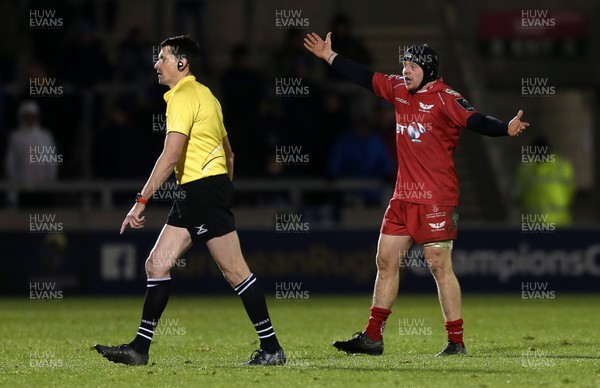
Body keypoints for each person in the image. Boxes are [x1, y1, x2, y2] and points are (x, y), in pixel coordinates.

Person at [304, 32, 529, 356]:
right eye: (404, 65)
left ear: (429, 70)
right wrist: (330, 57)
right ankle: (372, 337)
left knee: (438, 264)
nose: (405, 71)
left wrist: (505, 128)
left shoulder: (445, 97)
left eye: (412, 66)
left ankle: (456, 341)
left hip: (437, 196)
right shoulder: (398, 89)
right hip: (403, 196)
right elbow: (366, 78)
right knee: (385, 260)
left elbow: (476, 119)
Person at [94, 36, 285, 366]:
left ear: (182, 64)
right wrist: (222, 190)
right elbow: (229, 153)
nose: (156, 64)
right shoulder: (208, 95)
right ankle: (139, 349)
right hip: (200, 192)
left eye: (163, 58)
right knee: (157, 263)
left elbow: (170, 156)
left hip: (200, 191)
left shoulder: (181, 97)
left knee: (235, 272)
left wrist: (141, 200)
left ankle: (272, 349)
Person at [516, 137, 575, 226]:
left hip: (551, 223)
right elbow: (570, 192)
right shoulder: (562, 166)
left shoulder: (525, 169)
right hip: (554, 222)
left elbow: (519, 195)